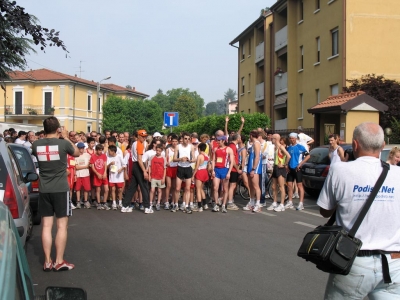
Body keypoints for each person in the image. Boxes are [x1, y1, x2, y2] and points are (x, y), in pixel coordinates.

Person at [317, 122, 400, 299]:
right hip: (394, 264)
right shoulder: (398, 174)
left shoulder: (340, 170)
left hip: (352, 261)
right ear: (383, 145)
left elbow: (324, 210)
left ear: (355, 144)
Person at [31, 117, 79, 271]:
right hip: (60, 188)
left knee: (46, 226)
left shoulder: (35, 144)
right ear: (58, 128)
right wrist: (65, 136)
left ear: (44, 129)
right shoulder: (63, 143)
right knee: (62, 226)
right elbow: (77, 152)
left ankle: (47, 261)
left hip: (44, 189)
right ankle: (58, 261)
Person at [121, 129, 151, 214]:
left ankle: (125, 206)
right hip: (138, 166)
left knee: (132, 187)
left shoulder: (134, 143)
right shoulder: (139, 144)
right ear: (138, 136)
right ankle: (147, 207)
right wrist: (144, 171)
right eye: (142, 136)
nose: (144, 138)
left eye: (145, 136)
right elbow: (139, 159)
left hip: (134, 166)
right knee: (144, 187)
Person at [285, 133, 310, 210]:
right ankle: (290, 202)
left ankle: (301, 203)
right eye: (290, 138)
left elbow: (308, 156)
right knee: (289, 185)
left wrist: (300, 164)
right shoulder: (288, 148)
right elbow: (287, 157)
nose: (292, 140)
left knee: (299, 186)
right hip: (290, 168)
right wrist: (286, 165)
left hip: (297, 169)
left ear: (296, 138)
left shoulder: (300, 147)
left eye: (293, 138)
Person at [267, 134, 291, 212]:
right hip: (276, 168)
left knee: (281, 187)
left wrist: (284, 164)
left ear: (276, 139)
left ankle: (282, 204)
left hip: (281, 169)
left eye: (272, 138)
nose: (271, 139)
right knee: (274, 186)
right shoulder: (276, 147)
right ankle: (274, 202)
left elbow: (288, 156)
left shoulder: (281, 147)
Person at [211, 135, 235, 213]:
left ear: (223, 141)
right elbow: (213, 160)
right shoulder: (215, 149)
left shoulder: (229, 149)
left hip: (225, 170)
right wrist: (213, 170)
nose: (217, 142)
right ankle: (216, 204)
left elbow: (231, 162)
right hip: (217, 170)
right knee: (215, 188)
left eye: (219, 140)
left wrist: (229, 172)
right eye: (217, 140)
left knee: (225, 189)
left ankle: (224, 205)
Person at [173, 132, 195, 213]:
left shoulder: (191, 147)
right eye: (185, 138)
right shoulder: (178, 147)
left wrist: (190, 160)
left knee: (187, 188)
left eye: (189, 139)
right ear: (182, 138)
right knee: (177, 188)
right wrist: (180, 159)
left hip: (188, 168)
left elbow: (194, 158)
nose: (187, 140)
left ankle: (186, 205)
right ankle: (175, 204)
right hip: (180, 167)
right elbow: (174, 159)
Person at [243, 130, 263, 213]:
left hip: (255, 168)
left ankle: (258, 204)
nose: (249, 137)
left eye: (249, 136)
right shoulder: (253, 144)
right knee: (251, 186)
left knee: (256, 186)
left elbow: (257, 157)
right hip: (250, 167)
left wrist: (254, 169)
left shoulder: (256, 143)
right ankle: (252, 202)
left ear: (251, 136)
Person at [90, 144, 109, 210]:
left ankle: (104, 202)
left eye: (101, 150)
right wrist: (97, 174)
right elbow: (92, 167)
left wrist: (105, 172)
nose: (101, 152)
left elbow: (105, 164)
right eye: (99, 150)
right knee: (98, 190)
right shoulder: (93, 157)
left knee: (106, 189)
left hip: (103, 175)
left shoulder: (104, 156)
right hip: (97, 175)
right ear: (96, 150)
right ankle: (98, 203)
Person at [107, 145, 126, 210]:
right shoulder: (108, 157)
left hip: (119, 177)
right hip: (112, 176)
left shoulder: (119, 156)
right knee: (113, 190)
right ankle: (114, 203)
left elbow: (124, 165)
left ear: (113, 151)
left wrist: (120, 169)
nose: (108, 152)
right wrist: (110, 164)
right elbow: (106, 167)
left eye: (109, 151)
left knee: (120, 190)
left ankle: (120, 202)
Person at [148, 144, 166, 211]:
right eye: (157, 150)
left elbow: (164, 168)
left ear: (161, 151)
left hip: (160, 177)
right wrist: (149, 175)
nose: (158, 152)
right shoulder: (152, 157)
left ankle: (158, 203)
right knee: (152, 190)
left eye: (159, 151)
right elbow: (149, 166)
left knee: (159, 190)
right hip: (153, 176)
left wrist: (163, 178)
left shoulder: (163, 158)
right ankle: (150, 203)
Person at [74, 142, 92, 209]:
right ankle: (78, 201)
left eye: (82, 148)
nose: (81, 149)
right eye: (80, 148)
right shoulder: (75, 156)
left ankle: (85, 201)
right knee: (78, 189)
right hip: (78, 174)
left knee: (86, 189)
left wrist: (88, 166)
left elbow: (90, 164)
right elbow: (76, 167)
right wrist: (85, 166)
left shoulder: (87, 155)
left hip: (86, 174)